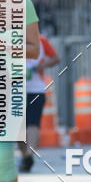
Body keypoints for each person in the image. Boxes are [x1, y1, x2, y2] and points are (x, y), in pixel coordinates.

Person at [0, 0, 41, 182]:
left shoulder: (22, 2)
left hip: (9, 89)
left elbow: (35, 49)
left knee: (2, 157)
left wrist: (5, 46)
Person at [17, 33, 60, 171]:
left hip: (33, 89)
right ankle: (27, 155)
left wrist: (41, 66)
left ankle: (27, 155)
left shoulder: (41, 40)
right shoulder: (12, 39)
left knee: (26, 126)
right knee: (28, 126)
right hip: (20, 89)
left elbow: (56, 58)